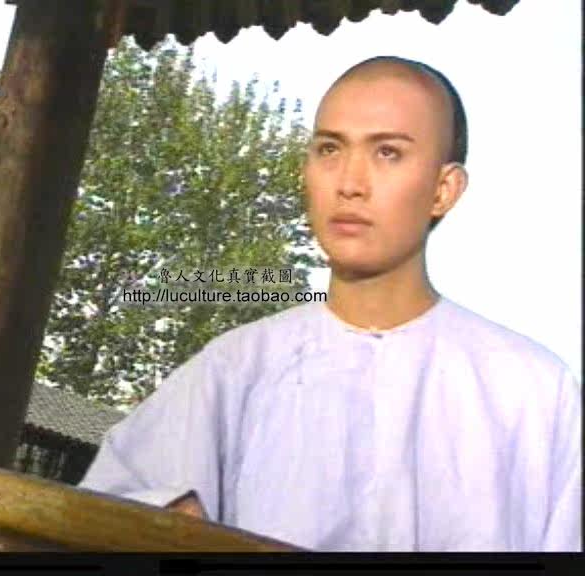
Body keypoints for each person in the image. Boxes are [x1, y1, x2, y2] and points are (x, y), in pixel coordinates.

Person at [79, 56, 581, 552]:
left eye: (388, 153)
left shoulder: (532, 392)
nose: (349, 184)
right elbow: (95, 513)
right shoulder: (233, 370)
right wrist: (160, 519)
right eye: (329, 149)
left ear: (443, 189)